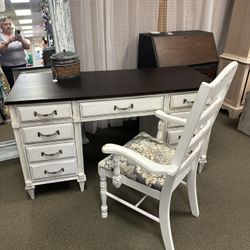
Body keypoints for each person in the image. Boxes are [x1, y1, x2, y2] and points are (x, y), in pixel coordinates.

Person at [0, 16, 30, 88]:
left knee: (25, 85)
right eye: (5, 24)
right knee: (14, 86)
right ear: (1, 25)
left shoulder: (18, 33)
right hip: (8, 67)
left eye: (9, 24)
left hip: (22, 64)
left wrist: (21, 40)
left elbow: (27, 47)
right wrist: (8, 42)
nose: (8, 26)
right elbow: (2, 51)